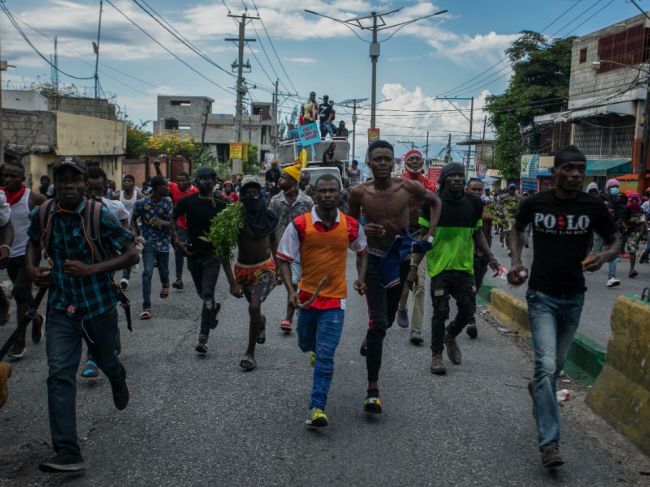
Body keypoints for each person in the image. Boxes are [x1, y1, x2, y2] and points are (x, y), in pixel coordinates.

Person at [507, 146, 619, 469]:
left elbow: (614, 241)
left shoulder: (592, 205)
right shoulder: (536, 202)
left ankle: (539, 389)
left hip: (575, 297)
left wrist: (605, 257)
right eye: (569, 169)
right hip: (541, 295)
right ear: (554, 171)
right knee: (544, 365)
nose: (576, 175)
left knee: (553, 369)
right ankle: (550, 443)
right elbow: (515, 228)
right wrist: (515, 260)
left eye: (581, 169)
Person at [25, 155, 138, 473]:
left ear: (85, 184)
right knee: (59, 375)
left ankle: (117, 375)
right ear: (56, 183)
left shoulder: (99, 215)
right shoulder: (43, 213)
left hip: (98, 306)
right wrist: (32, 268)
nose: (68, 185)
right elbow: (33, 243)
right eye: (62, 180)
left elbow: (132, 253)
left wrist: (92, 269)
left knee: (105, 359)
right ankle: (68, 451)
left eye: (74, 179)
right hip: (61, 307)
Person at [348, 140, 441, 413]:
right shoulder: (358, 192)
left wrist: (430, 236)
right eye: (378, 159)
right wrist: (365, 232)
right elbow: (350, 230)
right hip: (375, 260)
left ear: (394, 162)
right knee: (379, 323)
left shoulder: (408, 187)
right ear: (369, 161)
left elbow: (435, 202)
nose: (383, 164)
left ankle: (374, 332)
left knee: (385, 320)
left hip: (400, 258)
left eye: (387, 159)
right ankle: (373, 388)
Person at [277, 173, 367, 427]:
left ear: (340, 194)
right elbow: (283, 258)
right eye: (322, 191)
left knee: (326, 356)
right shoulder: (300, 224)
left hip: (335, 302)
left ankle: (317, 407)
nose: (328, 195)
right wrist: (290, 292)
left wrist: (361, 277)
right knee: (305, 343)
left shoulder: (350, 225)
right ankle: (312, 350)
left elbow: (362, 251)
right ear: (314, 194)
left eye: (332, 191)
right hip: (305, 299)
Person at [413, 165, 498, 375]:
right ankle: (436, 355)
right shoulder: (432, 203)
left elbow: (478, 234)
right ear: (444, 179)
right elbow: (424, 236)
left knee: (468, 310)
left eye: (461, 176)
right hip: (440, 267)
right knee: (440, 312)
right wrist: (414, 266)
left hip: (464, 267)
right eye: (452, 176)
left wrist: (490, 257)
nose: (457, 179)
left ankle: (450, 335)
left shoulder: (475, 204)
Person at [80, 165, 131, 379]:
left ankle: (93, 357)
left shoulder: (113, 207)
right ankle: (106, 345)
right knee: (85, 313)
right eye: (89, 190)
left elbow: (125, 232)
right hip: (78, 270)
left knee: (100, 312)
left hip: (104, 269)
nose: (93, 194)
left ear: (105, 189)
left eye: (98, 189)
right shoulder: (72, 209)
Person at [221, 178, 278, 370]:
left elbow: (274, 241)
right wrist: (232, 282)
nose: (252, 195)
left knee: (253, 307)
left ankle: (250, 354)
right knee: (255, 309)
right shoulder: (234, 218)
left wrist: (278, 268)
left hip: (265, 268)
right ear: (242, 196)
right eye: (247, 192)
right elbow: (223, 250)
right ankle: (261, 322)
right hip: (242, 269)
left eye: (255, 191)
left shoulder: (268, 216)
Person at [171, 167, 227, 354]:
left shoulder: (222, 204)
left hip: (213, 256)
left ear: (214, 181)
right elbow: (172, 217)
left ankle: (202, 338)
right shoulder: (187, 202)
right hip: (193, 254)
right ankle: (213, 309)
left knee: (208, 294)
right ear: (197, 181)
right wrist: (177, 241)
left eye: (208, 179)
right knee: (202, 294)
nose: (204, 182)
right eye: (201, 179)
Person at [1, 159, 46, 359]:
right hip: (8, 255)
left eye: (12, 176)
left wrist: (45, 242)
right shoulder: (1, 198)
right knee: (25, 297)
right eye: (4, 176)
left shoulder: (33, 198)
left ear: (22, 178)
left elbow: (51, 213)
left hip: (28, 253)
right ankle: (36, 319)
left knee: (20, 293)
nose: (7, 179)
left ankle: (19, 342)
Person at [269, 163, 314, 333]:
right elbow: (270, 228)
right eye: (279, 176)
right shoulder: (275, 201)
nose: (279, 179)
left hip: (302, 248)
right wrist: (271, 252)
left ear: (294, 181)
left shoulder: (307, 201)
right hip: (283, 249)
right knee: (293, 282)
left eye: (283, 177)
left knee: (299, 282)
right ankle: (289, 317)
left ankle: (294, 314)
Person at [396, 149, 434, 344]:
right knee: (405, 280)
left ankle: (416, 329)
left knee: (419, 282)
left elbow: (436, 209)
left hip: (421, 236)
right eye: (411, 158)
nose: (415, 161)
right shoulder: (398, 184)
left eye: (418, 158)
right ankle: (401, 306)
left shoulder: (429, 185)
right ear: (405, 160)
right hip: (402, 237)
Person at [131, 176, 173, 320]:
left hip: (164, 242)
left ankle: (166, 283)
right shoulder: (141, 203)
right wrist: (135, 234)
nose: (168, 188)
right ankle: (146, 307)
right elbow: (133, 221)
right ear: (156, 188)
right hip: (148, 243)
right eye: (165, 186)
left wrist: (163, 222)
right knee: (147, 272)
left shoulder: (168, 203)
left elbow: (174, 223)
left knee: (164, 271)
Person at [465, 178, 496, 338]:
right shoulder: (463, 207)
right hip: (465, 254)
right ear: (467, 190)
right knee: (470, 288)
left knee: (476, 286)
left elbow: (498, 225)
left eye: (479, 190)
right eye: (474, 189)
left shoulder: (487, 208)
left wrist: (490, 256)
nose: (477, 192)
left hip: (482, 255)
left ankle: (467, 312)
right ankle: (471, 320)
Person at [114, 174, 142, 290]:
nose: (126, 182)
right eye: (124, 180)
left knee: (129, 251)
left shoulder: (138, 195)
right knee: (116, 253)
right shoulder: (117, 195)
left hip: (133, 227)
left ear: (133, 184)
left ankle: (125, 278)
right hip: (119, 227)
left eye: (129, 181)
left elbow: (145, 207)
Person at [621, 192, 646, 278]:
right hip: (625, 232)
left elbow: (643, 221)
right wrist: (632, 221)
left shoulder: (640, 209)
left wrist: (642, 234)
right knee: (617, 250)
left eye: (636, 200)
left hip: (634, 233)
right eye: (633, 199)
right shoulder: (626, 209)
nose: (635, 201)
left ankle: (631, 270)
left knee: (632, 251)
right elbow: (622, 220)